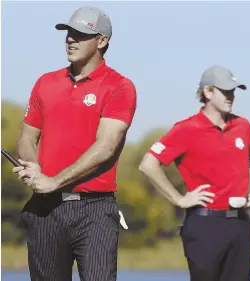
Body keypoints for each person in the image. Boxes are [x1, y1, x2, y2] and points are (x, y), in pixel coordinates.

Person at [13, 6, 136, 281]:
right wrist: (34, 170)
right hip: (45, 209)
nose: (70, 39)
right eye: (68, 32)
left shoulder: (119, 87)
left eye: (80, 34)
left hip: (95, 211)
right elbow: (26, 138)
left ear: (102, 41)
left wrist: (54, 181)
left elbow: (106, 147)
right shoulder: (46, 82)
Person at [139, 65, 250, 281]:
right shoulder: (186, 129)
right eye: (225, 91)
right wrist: (179, 199)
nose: (231, 96)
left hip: (240, 225)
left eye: (233, 91)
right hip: (204, 226)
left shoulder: (243, 126)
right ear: (208, 92)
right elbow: (148, 164)